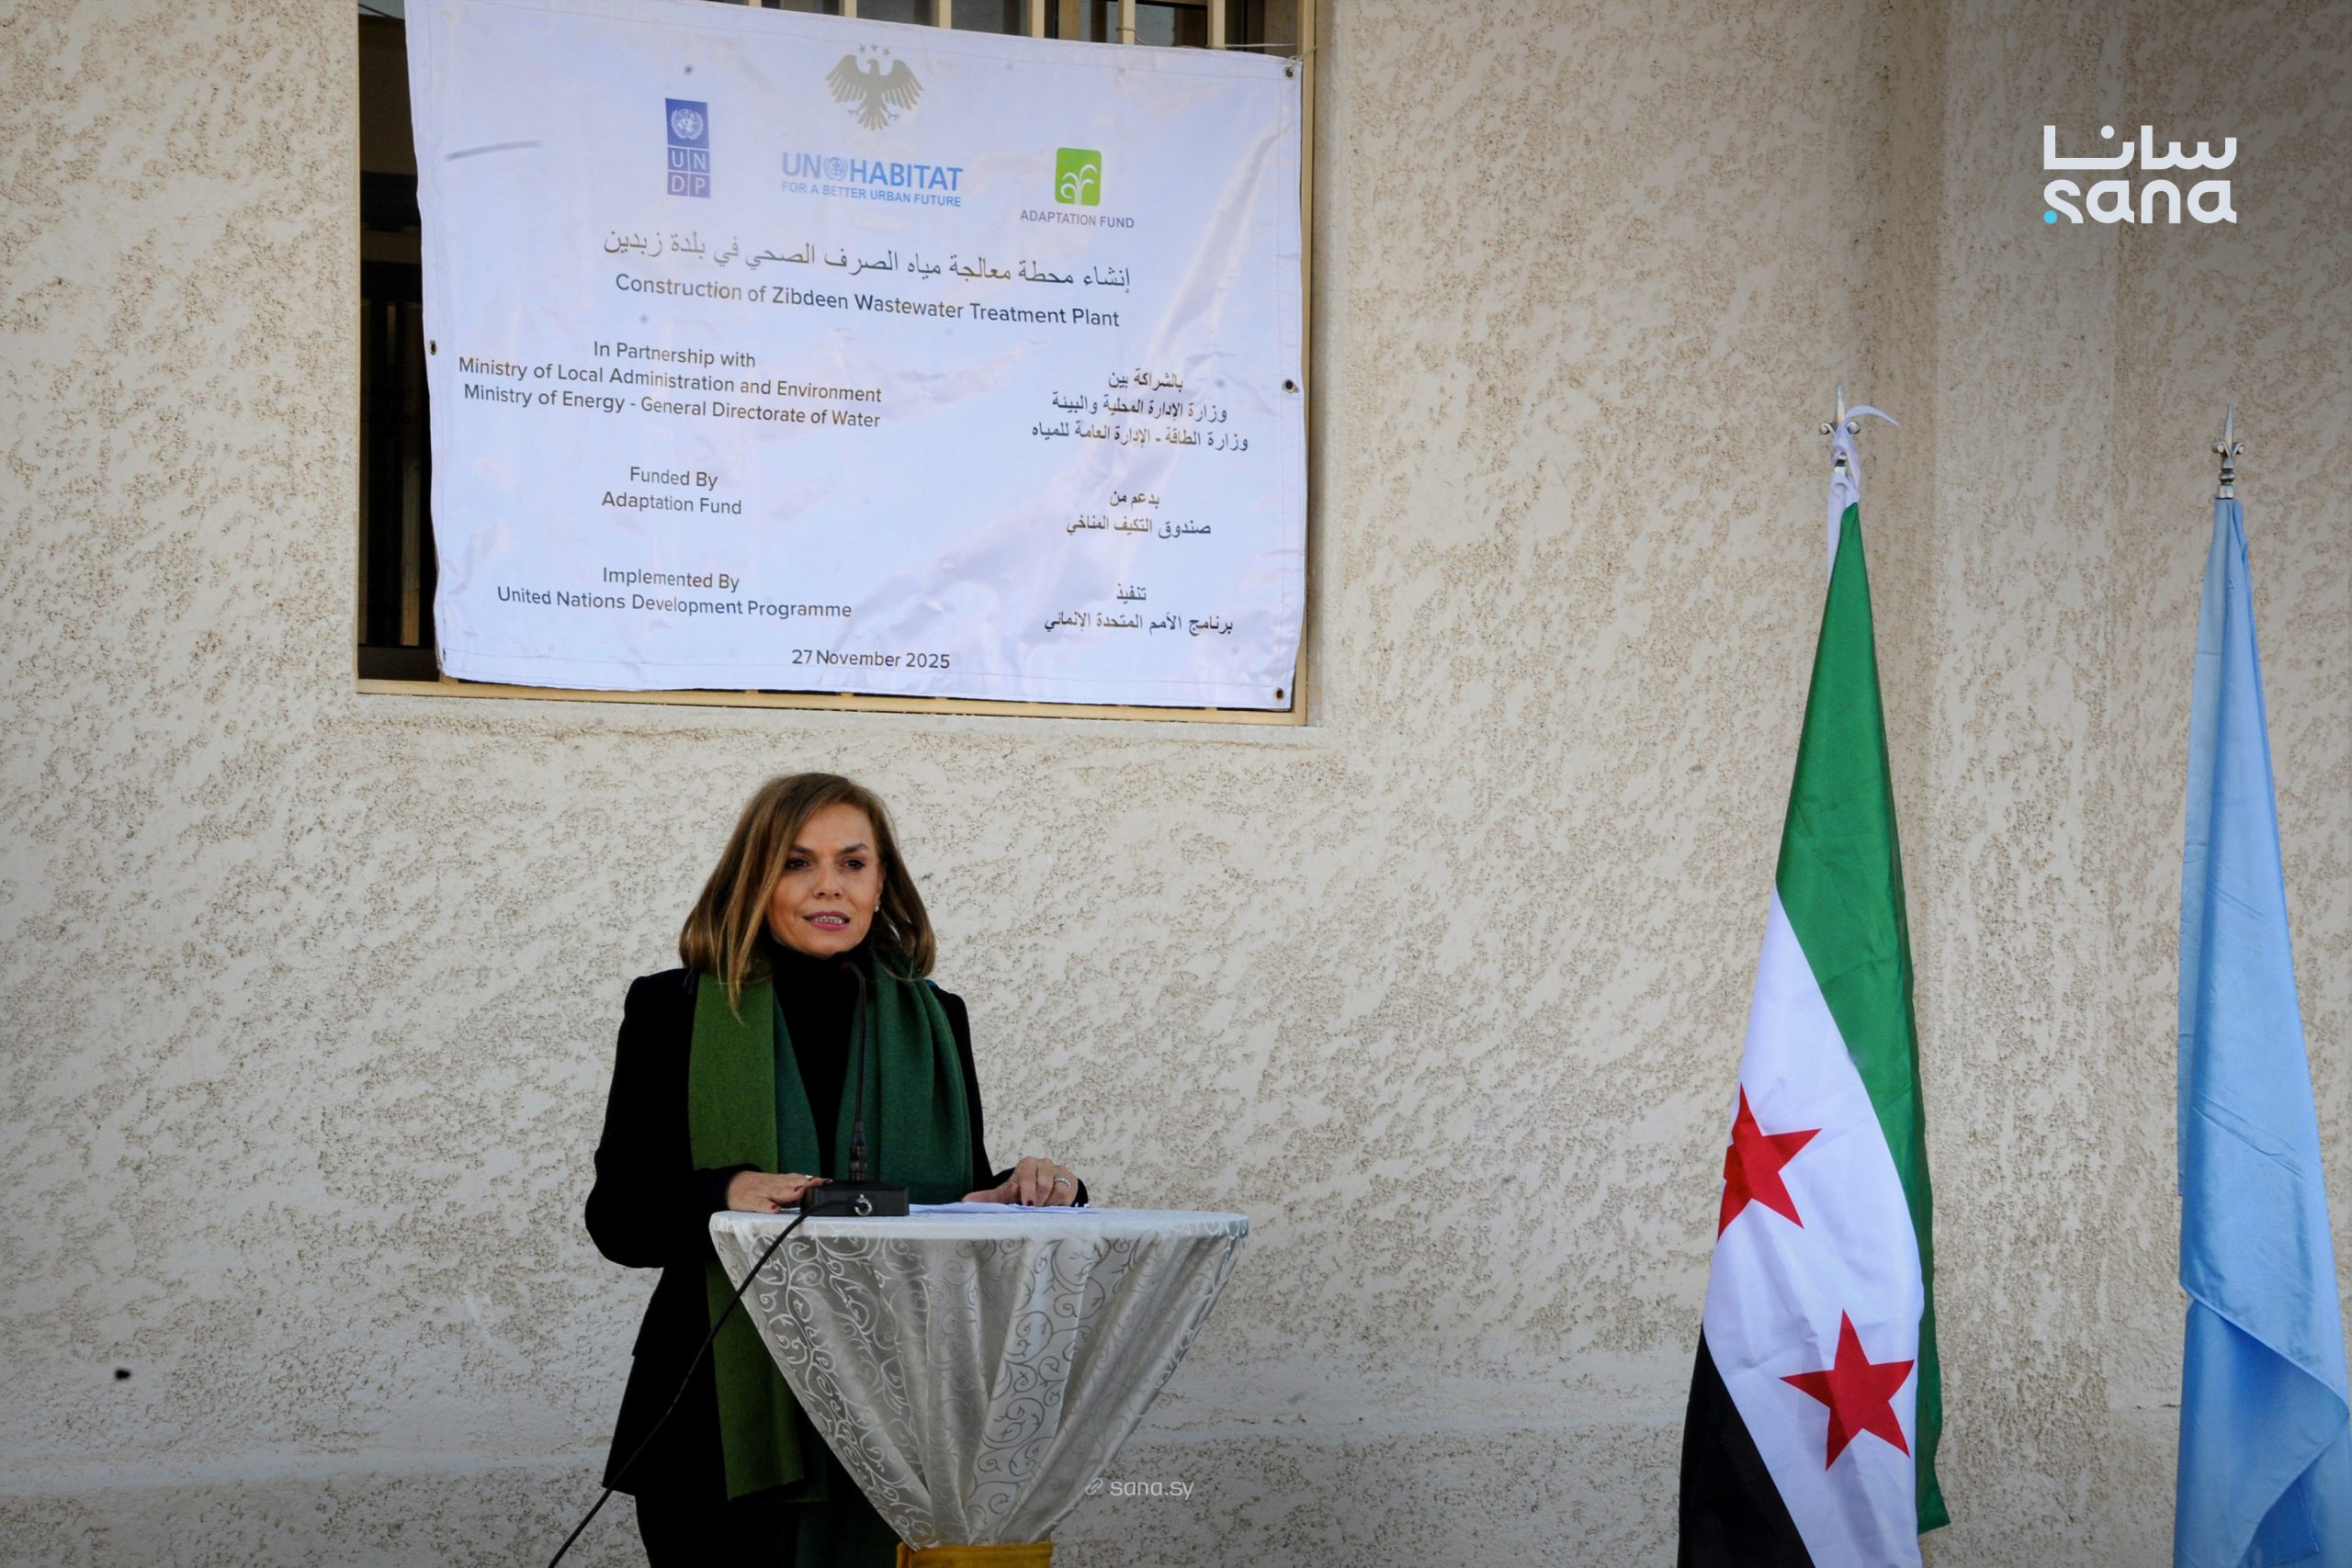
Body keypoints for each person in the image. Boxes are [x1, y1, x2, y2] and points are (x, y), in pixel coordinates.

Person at [584, 773, 1087, 1565]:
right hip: (717, 1422)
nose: (829, 886)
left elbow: (946, 1205)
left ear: (883, 883)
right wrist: (726, 1191)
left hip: (901, 1417)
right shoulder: (671, 1008)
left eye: (853, 863)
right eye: (796, 862)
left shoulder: (938, 1019)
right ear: (754, 879)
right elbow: (617, 1215)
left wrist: (1021, 1193)